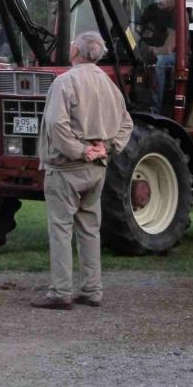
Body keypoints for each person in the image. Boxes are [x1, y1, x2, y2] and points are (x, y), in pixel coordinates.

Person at [32, 30, 133, 309]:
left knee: (61, 229)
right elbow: (127, 123)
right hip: (97, 169)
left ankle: (60, 292)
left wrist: (79, 150)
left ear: (75, 52)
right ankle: (91, 290)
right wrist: (107, 147)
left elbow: (56, 124)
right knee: (90, 228)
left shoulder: (64, 82)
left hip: (66, 168)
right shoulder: (109, 84)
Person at [140, 0, 177, 112]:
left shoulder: (178, 16)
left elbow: (168, 49)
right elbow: (141, 30)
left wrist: (152, 50)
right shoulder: (156, 12)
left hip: (177, 55)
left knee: (160, 61)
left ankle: (155, 107)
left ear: (177, 0)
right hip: (159, 48)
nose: (164, 0)